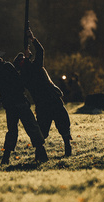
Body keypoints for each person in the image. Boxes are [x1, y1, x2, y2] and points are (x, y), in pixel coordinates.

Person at [13, 29, 72, 157]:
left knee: (62, 125)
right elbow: (40, 52)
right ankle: (42, 151)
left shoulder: (29, 70)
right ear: (22, 64)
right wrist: (32, 40)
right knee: (43, 130)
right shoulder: (30, 71)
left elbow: (40, 52)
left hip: (48, 101)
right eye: (23, 59)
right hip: (47, 101)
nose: (25, 57)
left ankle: (67, 145)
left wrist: (32, 39)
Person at [0, 50, 47, 164]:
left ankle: (6, 158)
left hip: (9, 105)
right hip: (19, 101)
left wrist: (1, 99)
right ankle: (41, 153)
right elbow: (19, 81)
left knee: (12, 131)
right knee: (32, 127)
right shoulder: (7, 66)